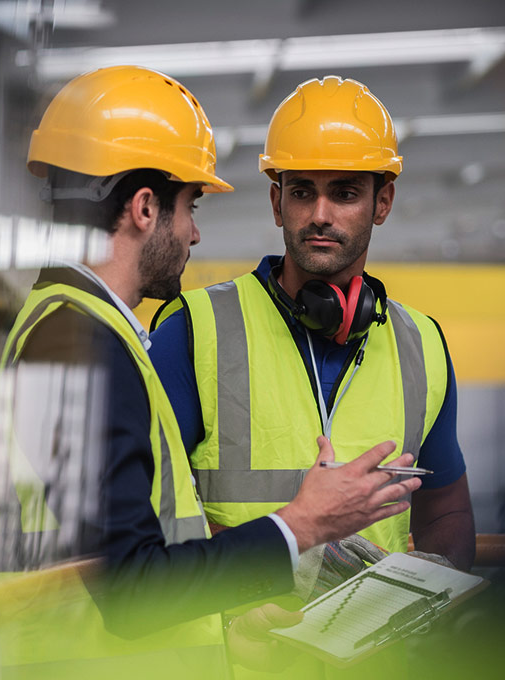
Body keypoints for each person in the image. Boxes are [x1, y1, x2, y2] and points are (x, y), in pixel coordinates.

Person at [0, 65, 423, 680]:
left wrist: (229, 637)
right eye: (189, 205)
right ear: (144, 208)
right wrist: (300, 526)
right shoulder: (81, 343)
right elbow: (131, 590)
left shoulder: (75, 330)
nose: (194, 231)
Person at [150, 75, 475, 571]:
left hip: (372, 643)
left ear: (382, 202)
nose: (320, 214)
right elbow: (153, 512)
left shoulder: (422, 346)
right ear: (277, 201)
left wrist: (431, 591)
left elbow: (447, 508)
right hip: (238, 641)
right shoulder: (193, 331)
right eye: (302, 191)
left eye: (344, 193)